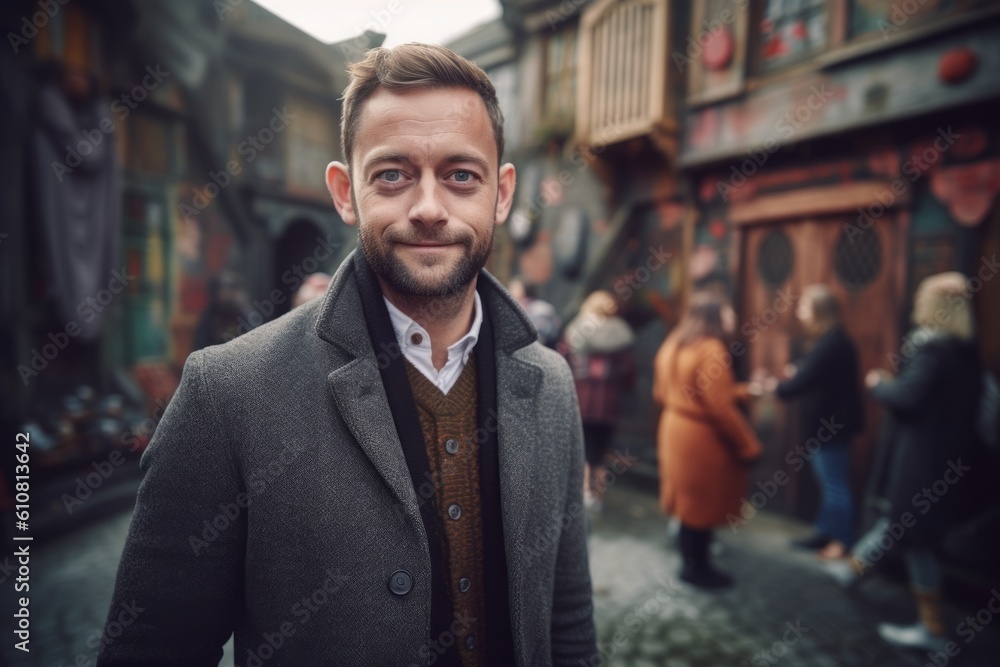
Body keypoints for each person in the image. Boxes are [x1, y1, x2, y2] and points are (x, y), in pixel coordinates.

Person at [99, 44, 596, 666]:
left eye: (460, 175)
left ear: (501, 193)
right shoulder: (227, 394)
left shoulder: (551, 385)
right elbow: (152, 650)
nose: (429, 208)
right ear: (344, 192)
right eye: (393, 174)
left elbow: (568, 619)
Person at [826, 272, 981, 653]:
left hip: (922, 465)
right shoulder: (965, 355)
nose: (915, 307)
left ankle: (933, 629)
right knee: (900, 526)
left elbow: (908, 398)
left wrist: (879, 383)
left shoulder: (934, 351)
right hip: (942, 463)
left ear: (936, 307)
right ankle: (852, 571)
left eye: (922, 300)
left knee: (914, 539)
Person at [653, 293, 763, 588]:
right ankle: (698, 570)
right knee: (700, 505)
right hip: (700, 439)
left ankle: (690, 564)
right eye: (728, 312)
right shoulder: (712, 348)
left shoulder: (675, 341)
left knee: (688, 503)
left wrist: (739, 391)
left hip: (673, 427)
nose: (733, 319)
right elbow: (720, 408)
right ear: (715, 316)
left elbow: (665, 392)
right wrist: (749, 445)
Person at [764, 285, 863, 559]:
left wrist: (778, 387)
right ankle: (824, 532)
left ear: (820, 311)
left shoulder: (833, 343)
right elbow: (815, 374)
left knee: (834, 485)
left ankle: (843, 541)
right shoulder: (830, 340)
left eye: (805, 307)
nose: (800, 313)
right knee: (828, 481)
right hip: (826, 426)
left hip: (832, 427)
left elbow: (806, 380)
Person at [558, 290, 636, 512]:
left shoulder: (576, 330)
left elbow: (561, 359)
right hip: (608, 403)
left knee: (581, 450)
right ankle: (598, 497)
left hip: (580, 400)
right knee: (600, 453)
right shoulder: (621, 333)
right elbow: (628, 371)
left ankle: (582, 496)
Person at [192, 269, 254, 350]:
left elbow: (255, 338)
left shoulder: (242, 311)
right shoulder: (211, 314)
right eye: (224, 288)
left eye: (233, 288)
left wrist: (244, 307)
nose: (228, 294)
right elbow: (200, 345)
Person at [508, 276, 561, 347]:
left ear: (525, 288)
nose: (510, 290)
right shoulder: (511, 307)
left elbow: (547, 334)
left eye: (515, 287)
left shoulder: (541, 310)